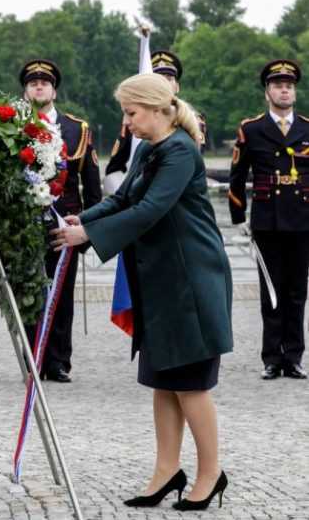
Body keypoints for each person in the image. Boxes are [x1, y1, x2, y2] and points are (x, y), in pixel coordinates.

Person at [52, 73, 232, 511]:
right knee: (163, 381)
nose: (127, 122)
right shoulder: (151, 150)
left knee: (190, 385)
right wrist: (83, 221)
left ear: (155, 108)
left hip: (191, 282)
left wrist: (88, 237)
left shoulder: (180, 152)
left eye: (131, 113)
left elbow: (151, 210)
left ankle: (211, 473)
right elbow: (124, 199)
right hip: (161, 282)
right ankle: (167, 471)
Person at [19, 59, 101, 383]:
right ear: (25, 90)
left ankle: (58, 360)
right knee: (28, 289)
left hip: (64, 220)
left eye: (45, 82)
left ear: (54, 89)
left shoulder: (75, 129)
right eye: (33, 82)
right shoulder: (13, 128)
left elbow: (91, 182)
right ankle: (33, 360)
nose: (39, 86)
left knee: (61, 291)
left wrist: (89, 226)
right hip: (25, 222)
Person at [228, 59, 308, 380]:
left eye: (289, 85)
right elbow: (237, 177)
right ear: (267, 92)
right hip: (267, 221)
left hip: (302, 221)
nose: (284, 89)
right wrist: (237, 217)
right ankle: (272, 358)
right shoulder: (251, 129)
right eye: (278, 85)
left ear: (295, 91)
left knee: (297, 292)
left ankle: (295, 357)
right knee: (271, 292)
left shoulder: (306, 127)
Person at [104, 50, 207, 194]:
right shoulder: (132, 120)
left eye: (169, 78)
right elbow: (114, 169)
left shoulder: (194, 122)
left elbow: (189, 165)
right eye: (157, 79)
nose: (163, 83)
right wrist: (125, 198)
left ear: (177, 86)